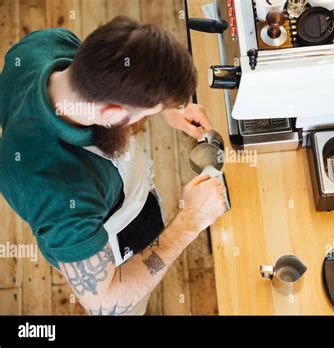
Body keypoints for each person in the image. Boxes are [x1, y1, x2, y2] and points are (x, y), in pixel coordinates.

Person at [0, 16, 227, 315]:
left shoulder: (44, 45)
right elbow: (108, 301)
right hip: (114, 249)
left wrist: (167, 104)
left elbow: (113, 79)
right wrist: (188, 223)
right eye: (144, 114)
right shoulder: (58, 196)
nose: (144, 120)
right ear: (110, 114)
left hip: (126, 195)